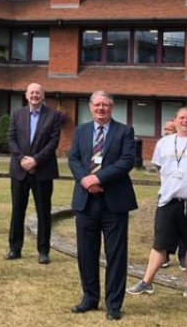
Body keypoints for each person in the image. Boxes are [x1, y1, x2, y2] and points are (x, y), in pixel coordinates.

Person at [127, 106, 187, 303]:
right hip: (169, 201)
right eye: (182, 118)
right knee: (160, 244)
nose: (185, 121)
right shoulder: (164, 143)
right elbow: (160, 168)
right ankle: (146, 281)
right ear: (175, 121)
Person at [68, 91, 137, 320]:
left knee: (115, 254)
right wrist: (87, 182)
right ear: (90, 106)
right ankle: (89, 298)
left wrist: (98, 178)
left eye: (105, 105)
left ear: (112, 107)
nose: (101, 108)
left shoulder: (124, 131)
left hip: (114, 202)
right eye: (97, 104)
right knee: (86, 253)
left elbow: (127, 161)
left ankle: (113, 304)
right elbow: (73, 159)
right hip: (86, 201)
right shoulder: (81, 130)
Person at [6, 82, 62, 264]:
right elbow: (11, 138)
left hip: (43, 170)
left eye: (38, 93)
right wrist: (22, 159)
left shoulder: (53, 116)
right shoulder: (17, 114)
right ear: (26, 95)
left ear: (43, 95)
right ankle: (15, 248)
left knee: (44, 212)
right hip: (19, 170)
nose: (35, 96)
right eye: (32, 93)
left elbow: (53, 143)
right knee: (17, 210)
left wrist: (35, 160)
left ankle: (43, 251)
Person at [160, 118, 187, 271]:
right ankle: (165, 255)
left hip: (184, 191)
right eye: (165, 129)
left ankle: (182, 257)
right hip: (167, 192)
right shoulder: (163, 146)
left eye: (169, 129)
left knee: (183, 226)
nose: (165, 132)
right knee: (166, 226)